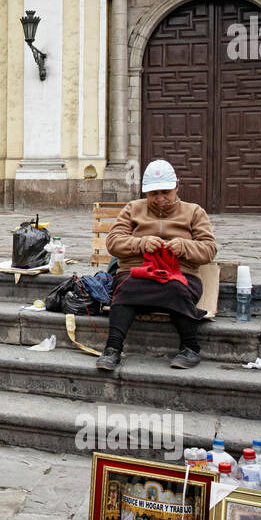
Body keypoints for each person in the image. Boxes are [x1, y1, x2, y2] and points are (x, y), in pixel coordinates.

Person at [98, 159, 218, 371]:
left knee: (175, 287)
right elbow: (113, 242)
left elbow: (209, 249)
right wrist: (141, 244)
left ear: (176, 187)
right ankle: (112, 349)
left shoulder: (194, 212)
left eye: (166, 192)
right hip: (137, 273)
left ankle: (191, 348)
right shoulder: (132, 209)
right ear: (145, 193)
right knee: (126, 288)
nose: (160, 199)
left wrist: (184, 247)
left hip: (181, 274)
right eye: (154, 194)